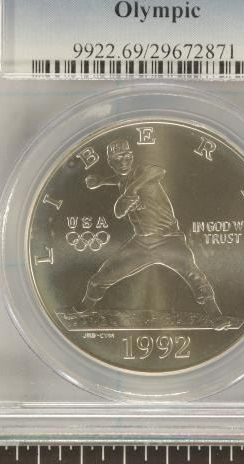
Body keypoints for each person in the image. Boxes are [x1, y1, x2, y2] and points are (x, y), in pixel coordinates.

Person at [74, 139, 231, 331]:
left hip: (169, 240)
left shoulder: (141, 173)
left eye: (127, 156)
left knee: (193, 274)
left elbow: (158, 171)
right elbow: (119, 204)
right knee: (102, 276)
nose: (124, 161)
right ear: (110, 161)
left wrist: (131, 190)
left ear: (132, 157)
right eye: (118, 158)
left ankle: (216, 317)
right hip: (141, 243)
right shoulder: (122, 179)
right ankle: (85, 307)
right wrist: (102, 182)